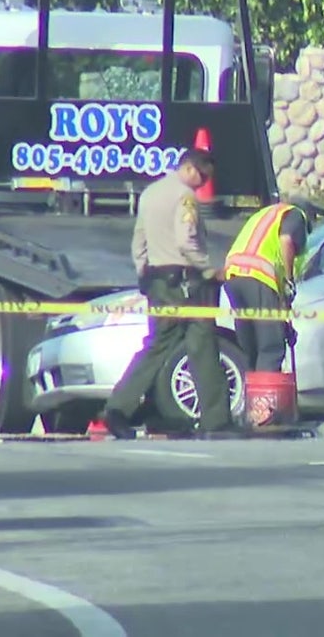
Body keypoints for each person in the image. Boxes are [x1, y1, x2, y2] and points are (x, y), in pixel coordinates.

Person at [101, 148, 239, 440]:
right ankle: (216, 419)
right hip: (188, 281)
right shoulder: (185, 196)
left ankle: (118, 408)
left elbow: (139, 240)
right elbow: (186, 241)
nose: (204, 184)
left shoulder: (150, 193)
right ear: (190, 168)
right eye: (203, 177)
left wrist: (144, 273)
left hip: (158, 280)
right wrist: (209, 270)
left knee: (157, 345)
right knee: (202, 344)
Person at [223, 197, 309, 372]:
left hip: (233, 275)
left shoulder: (266, 214)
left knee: (250, 345)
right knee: (271, 347)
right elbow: (286, 240)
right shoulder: (295, 214)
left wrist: (283, 318)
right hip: (258, 276)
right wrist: (289, 280)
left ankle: (250, 386)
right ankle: (264, 389)